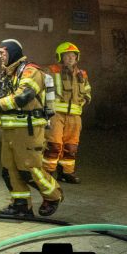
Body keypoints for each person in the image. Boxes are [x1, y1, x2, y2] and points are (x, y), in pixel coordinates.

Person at [0, 39, 63, 217]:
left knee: (29, 169)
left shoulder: (31, 71)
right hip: (9, 129)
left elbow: (23, 96)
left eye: (2, 52)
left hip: (29, 129)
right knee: (9, 170)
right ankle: (21, 206)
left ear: (12, 52)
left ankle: (54, 195)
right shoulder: (5, 73)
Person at [43, 42, 92, 184]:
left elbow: (87, 91)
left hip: (75, 116)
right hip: (56, 114)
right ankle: (47, 173)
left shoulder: (82, 74)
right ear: (60, 57)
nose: (71, 58)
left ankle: (66, 173)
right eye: (67, 55)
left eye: (73, 56)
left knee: (71, 146)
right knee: (54, 145)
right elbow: (41, 90)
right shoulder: (50, 71)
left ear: (77, 57)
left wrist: (84, 100)